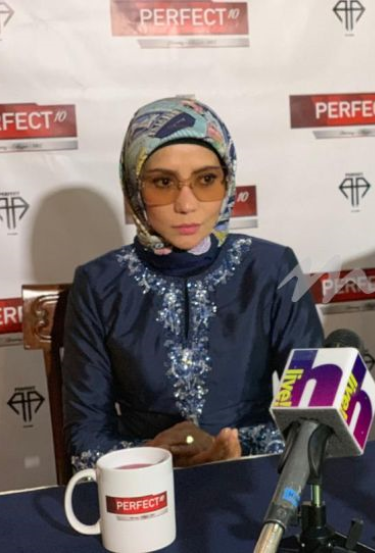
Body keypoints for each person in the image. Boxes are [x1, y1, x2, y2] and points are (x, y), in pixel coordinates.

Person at [63, 97, 323, 471]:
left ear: (228, 181)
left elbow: (316, 416)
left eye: (206, 180)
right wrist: (154, 455)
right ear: (134, 186)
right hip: (144, 487)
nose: (186, 205)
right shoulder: (99, 284)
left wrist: (232, 452)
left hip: (254, 480)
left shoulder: (273, 268)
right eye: (163, 182)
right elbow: (84, 439)